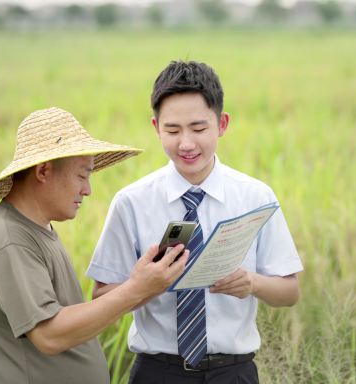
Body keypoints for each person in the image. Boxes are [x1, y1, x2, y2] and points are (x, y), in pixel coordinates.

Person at [87, 61, 303, 383]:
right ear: (156, 127)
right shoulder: (132, 202)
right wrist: (142, 286)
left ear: (223, 124)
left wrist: (252, 284)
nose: (186, 144)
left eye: (199, 129)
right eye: (172, 131)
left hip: (233, 372)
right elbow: (101, 297)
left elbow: (290, 291)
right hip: (157, 372)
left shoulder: (256, 197)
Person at [0, 107, 189, 384]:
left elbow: (70, 320)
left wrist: (150, 285)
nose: (88, 189)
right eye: (82, 175)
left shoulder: (37, 228)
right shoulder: (8, 241)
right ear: (43, 171)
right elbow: (49, 335)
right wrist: (136, 288)